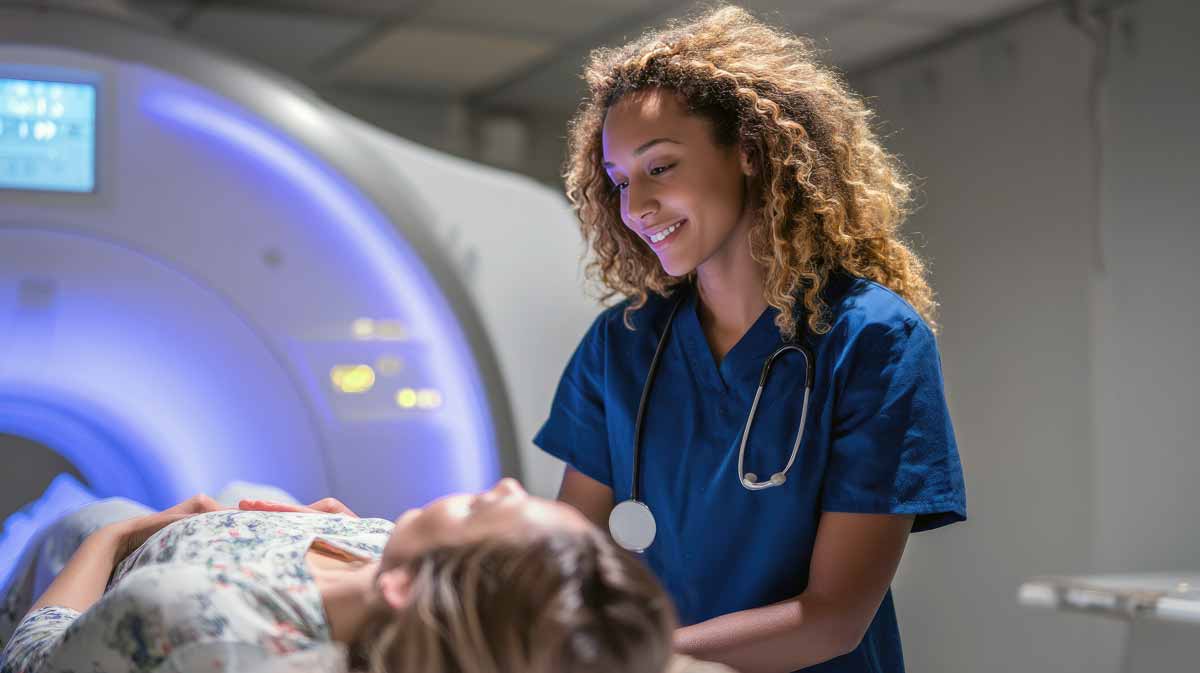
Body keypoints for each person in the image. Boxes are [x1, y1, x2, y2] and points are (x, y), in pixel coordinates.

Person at [534, 5, 967, 673]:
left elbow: (832, 619)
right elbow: (571, 561)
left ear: (750, 151)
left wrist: (630, 658)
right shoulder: (621, 344)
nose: (635, 206)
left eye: (660, 166)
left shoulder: (873, 339)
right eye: (620, 181)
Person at [0, 479, 676, 673]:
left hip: (91, 556)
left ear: (404, 589)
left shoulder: (186, 619)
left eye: (480, 509)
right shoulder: (407, 593)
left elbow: (31, 656)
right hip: (234, 523)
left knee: (82, 514)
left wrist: (118, 538)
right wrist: (328, 533)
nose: (503, 483)